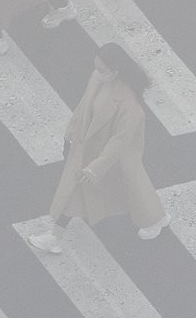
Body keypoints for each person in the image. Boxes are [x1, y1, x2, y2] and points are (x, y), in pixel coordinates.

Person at [28, 43, 169, 254]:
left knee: (130, 187)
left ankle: (154, 217)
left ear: (116, 71)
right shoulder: (98, 78)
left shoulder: (130, 105)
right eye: (97, 68)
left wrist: (95, 167)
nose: (97, 73)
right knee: (78, 191)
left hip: (111, 157)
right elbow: (84, 107)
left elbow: (120, 141)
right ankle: (55, 238)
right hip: (88, 149)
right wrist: (70, 134)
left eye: (102, 70)